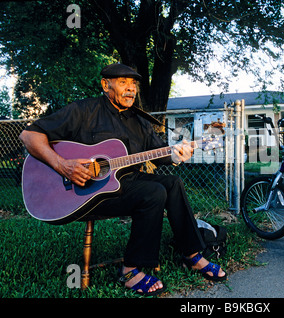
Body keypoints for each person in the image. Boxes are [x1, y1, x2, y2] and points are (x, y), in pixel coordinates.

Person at [19, 63, 226, 295]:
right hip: (90, 193)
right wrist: (63, 165)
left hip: (127, 186)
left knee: (173, 183)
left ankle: (191, 253)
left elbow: (159, 156)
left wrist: (179, 154)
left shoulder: (139, 121)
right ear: (106, 85)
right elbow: (29, 135)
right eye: (123, 82)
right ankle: (130, 270)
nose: (131, 89)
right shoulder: (84, 111)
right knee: (154, 191)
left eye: (134, 83)